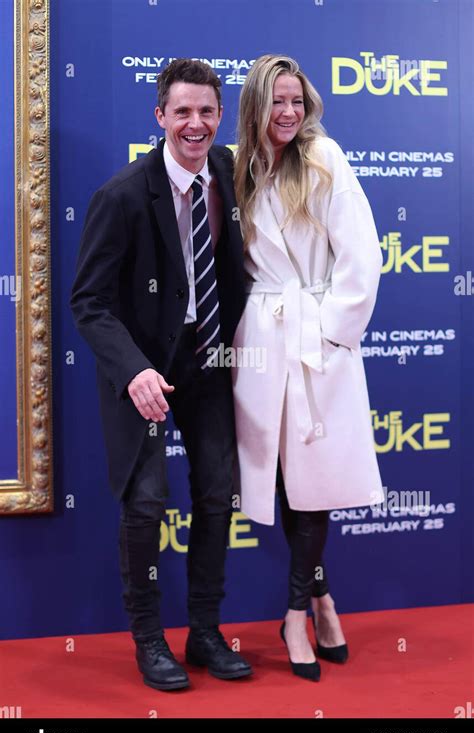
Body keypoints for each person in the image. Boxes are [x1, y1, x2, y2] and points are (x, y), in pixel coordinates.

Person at [70, 59, 252, 691]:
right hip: (144, 368)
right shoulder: (122, 195)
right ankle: (149, 641)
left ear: (220, 116)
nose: (195, 124)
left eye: (206, 112)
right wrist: (134, 370)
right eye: (182, 112)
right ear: (160, 117)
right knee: (146, 500)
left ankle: (203, 631)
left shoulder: (228, 173)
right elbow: (88, 302)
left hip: (207, 361)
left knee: (217, 491)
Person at [233, 54, 384, 681]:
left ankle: (295, 611)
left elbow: (363, 257)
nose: (289, 113)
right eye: (277, 102)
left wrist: (328, 335)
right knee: (286, 482)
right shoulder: (236, 168)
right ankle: (321, 596)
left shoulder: (325, 159)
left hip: (316, 341)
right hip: (262, 345)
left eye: (297, 100)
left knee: (315, 481)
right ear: (255, 108)